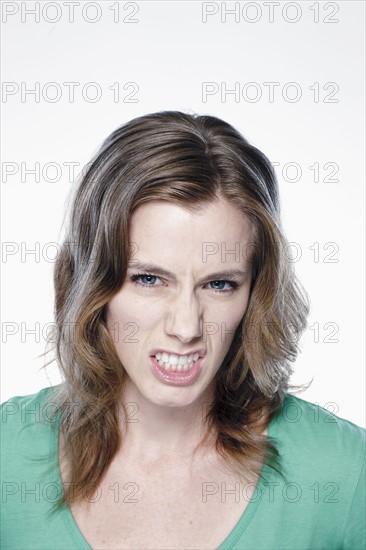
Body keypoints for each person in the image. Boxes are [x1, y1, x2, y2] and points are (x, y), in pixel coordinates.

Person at [1, 111, 365, 550]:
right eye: (150, 279)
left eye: (219, 284)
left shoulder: (344, 473)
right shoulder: (7, 455)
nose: (186, 326)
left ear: (255, 292)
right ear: (94, 282)